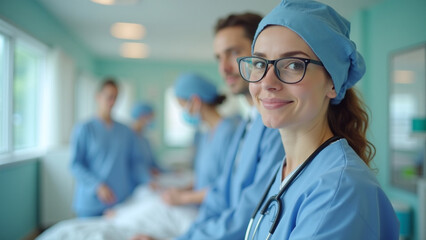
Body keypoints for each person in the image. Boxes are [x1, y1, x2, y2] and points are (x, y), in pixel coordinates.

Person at [239, 0, 399, 239]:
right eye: (260, 63)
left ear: (332, 82)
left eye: (293, 64)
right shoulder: (287, 170)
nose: (267, 82)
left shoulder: (341, 190)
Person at [173, 13, 285, 240]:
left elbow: (249, 213)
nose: (223, 68)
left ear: (262, 54)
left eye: (233, 52)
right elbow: (220, 195)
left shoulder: (276, 128)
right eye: (218, 58)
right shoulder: (247, 125)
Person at [70, 78, 150, 217]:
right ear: (98, 97)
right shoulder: (85, 129)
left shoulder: (125, 131)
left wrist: (148, 180)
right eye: (109, 97)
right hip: (91, 202)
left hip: (118, 200)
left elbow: (135, 162)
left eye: (115, 98)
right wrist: (97, 186)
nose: (112, 102)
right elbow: (75, 165)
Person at [161, 72, 240, 206]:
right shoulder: (206, 135)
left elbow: (227, 185)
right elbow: (204, 180)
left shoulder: (230, 132)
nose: (184, 112)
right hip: (203, 208)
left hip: (218, 211)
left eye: (183, 106)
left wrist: (184, 198)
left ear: (196, 101)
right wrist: (182, 191)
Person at [131, 102, 162, 176]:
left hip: (149, 180)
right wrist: (147, 179)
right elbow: (134, 165)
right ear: (142, 116)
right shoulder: (128, 138)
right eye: (151, 117)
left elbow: (153, 163)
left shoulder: (145, 140)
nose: (152, 120)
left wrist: (171, 172)